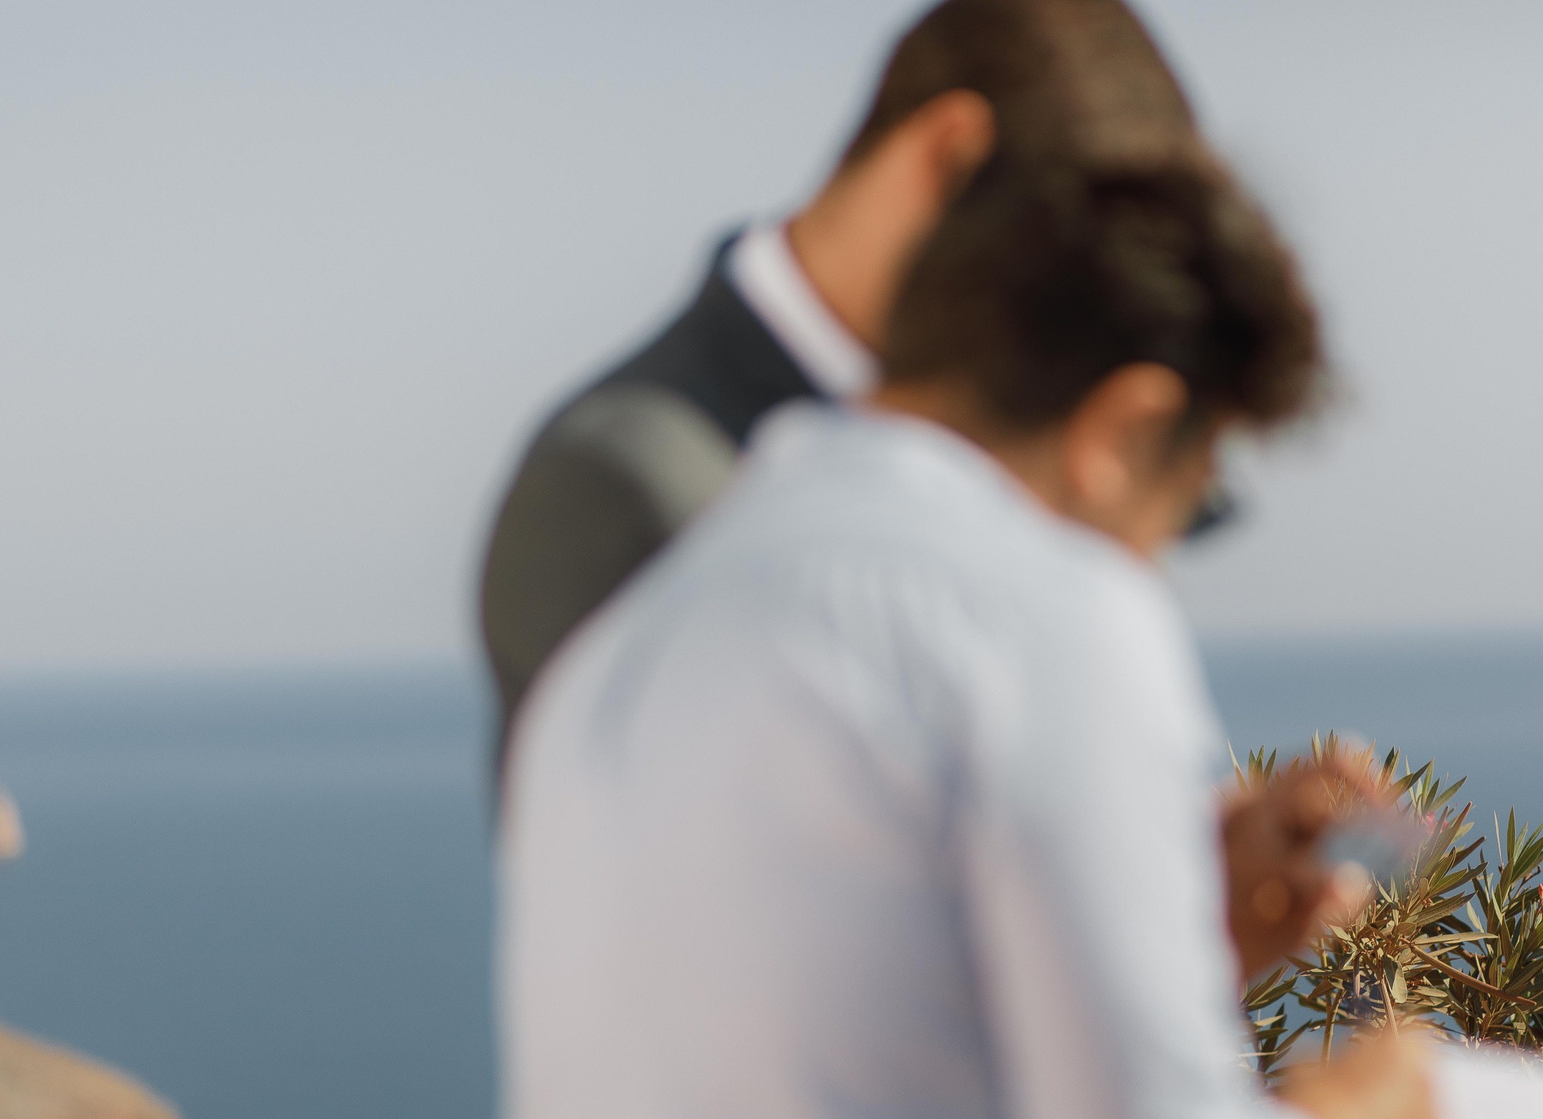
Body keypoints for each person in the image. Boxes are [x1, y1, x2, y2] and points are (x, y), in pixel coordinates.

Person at [499, 150, 1438, 1119]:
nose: (1157, 552)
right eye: (1186, 497)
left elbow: (822, 1083)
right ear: (1130, 421)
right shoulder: (1049, 614)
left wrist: (1174, 936)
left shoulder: (643, 633)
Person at [478, 0, 1364, 975]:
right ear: (947, 163)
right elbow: (705, 984)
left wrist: (1168, 884)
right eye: (1078, 274)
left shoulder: (1051, 405)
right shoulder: (633, 481)